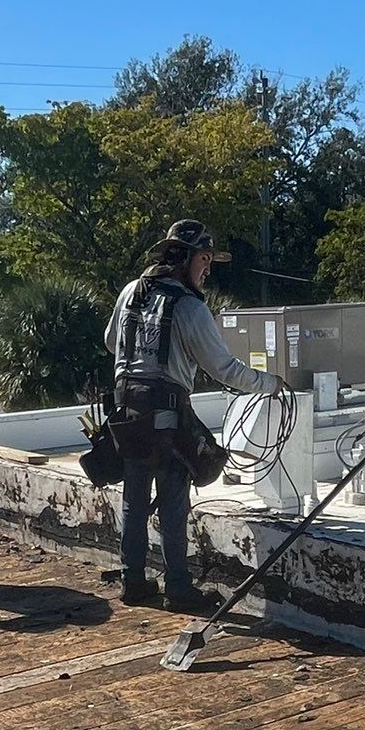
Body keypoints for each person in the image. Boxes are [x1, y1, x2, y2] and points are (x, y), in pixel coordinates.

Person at [104, 219, 284, 610]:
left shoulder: (130, 292)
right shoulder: (190, 307)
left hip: (128, 415)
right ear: (184, 259)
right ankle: (179, 589)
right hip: (167, 419)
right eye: (204, 259)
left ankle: (133, 581)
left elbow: (110, 341)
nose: (208, 269)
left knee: (134, 500)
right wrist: (270, 383)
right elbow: (224, 369)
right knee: (173, 503)